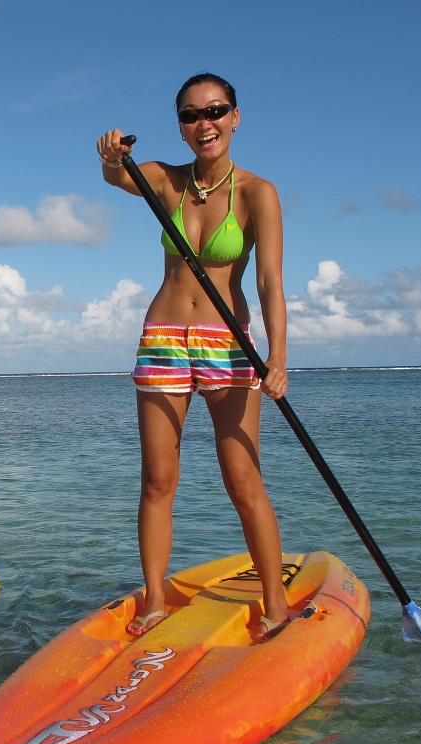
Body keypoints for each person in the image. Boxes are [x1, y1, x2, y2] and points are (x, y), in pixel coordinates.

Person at [96, 72, 291, 641]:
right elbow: (117, 176)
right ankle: (156, 601)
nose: (203, 123)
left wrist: (277, 356)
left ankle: (276, 605)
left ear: (234, 117)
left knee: (241, 478)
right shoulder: (166, 180)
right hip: (162, 337)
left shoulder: (258, 192)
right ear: (180, 127)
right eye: (190, 115)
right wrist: (110, 153)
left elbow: (271, 283)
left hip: (229, 345)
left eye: (215, 111)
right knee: (158, 479)